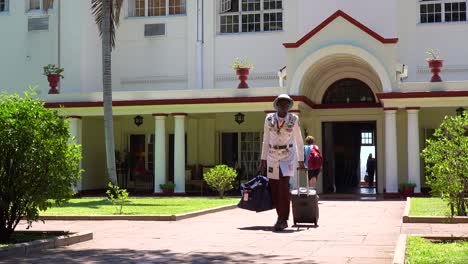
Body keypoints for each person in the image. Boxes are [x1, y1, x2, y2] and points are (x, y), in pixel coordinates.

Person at [259, 94, 305, 231]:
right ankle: (280, 216)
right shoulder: (269, 119)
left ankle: (283, 219)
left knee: (283, 186)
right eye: (281, 103)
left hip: (287, 156)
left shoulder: (293, 119)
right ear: (277, 104)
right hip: (272, 156)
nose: (284, 106)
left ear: (289, 105)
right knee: (274, 188)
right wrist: (263, 160)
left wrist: (301, 160)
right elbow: (265, 139)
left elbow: (299, 140)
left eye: (287, 103)